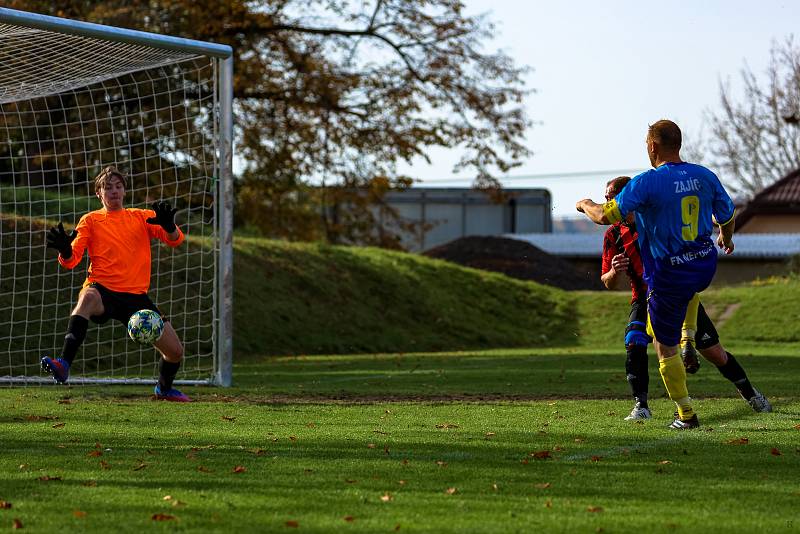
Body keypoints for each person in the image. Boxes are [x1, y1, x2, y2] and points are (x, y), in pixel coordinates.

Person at [577, 119, 736, 430]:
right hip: (705, 264)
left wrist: (584, 203)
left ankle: (685, 415)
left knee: (663, 346)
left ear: (652, 146)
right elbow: (727, 215)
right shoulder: (704, 175)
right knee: (683, 296)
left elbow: (604, 216)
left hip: (669, 272)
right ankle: (688, 335)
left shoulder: (646, 182)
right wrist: (726, 238)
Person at [601, 176, 771, 420]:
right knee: (634, 342)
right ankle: (642, 406)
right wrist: (614, 271)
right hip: (645, 297)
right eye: (605, 198)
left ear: (627, 198)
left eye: (611, 197)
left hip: (678, 292)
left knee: (715, 353)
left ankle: (750, 393)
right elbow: (606, 281)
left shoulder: (657, 220)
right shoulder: (613, 235)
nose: (606, 202)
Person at [41, 165, 191, 402]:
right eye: (107, 187)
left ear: (124, 191)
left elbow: (175, 240)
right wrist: (65, 249)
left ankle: (164, 389)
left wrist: (170, 227)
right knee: (87, 297)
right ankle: (63, 363)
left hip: (136, 298)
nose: (114, 191)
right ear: (98, 193)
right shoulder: (90, 220)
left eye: (118, 186)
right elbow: (71, 260)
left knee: (175, 351)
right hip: (103, 290)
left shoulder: (141, 217)